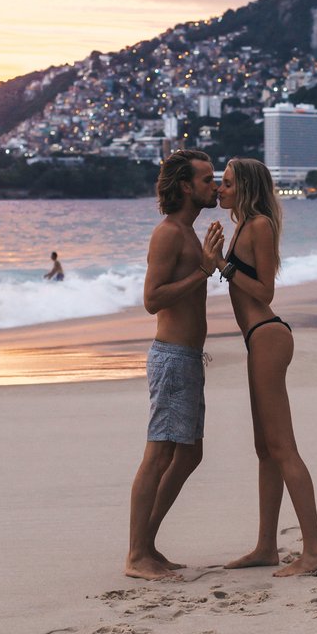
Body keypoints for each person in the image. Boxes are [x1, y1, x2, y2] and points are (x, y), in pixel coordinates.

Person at [209, 157, 317, 577]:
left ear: (244, 187)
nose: (218, 189)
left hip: (268, 334)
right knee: (265, 450)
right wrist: (217, 258)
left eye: (225, 183)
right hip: (255, 338)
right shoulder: (241, 226)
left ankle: (314, 549)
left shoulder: (258, 225)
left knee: (282, 448)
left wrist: (221, 266)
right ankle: (266, 546)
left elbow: (265, 289)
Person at [125, 150, 221, 580]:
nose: (214, 186)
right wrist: (203, 271)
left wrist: (211, 265)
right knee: (159, 453)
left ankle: (147, 545)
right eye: (206, 180)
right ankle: (135, 556)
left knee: (190, 454)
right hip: (171, 358)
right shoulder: (168, 234)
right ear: (185, 186)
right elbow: (152, 299)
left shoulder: (187, 232)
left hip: (187, 359)